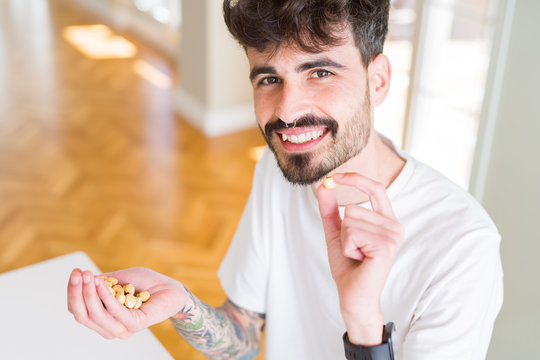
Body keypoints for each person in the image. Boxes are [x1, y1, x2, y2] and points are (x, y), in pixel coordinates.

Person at [67, 0, 503, 359]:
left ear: (379, 81)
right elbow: (243, 336)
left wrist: (364, 322)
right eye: (270, 78)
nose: (288, 112)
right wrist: (180, 303)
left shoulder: (462, 247)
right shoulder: (283, 171)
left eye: (320, 72)